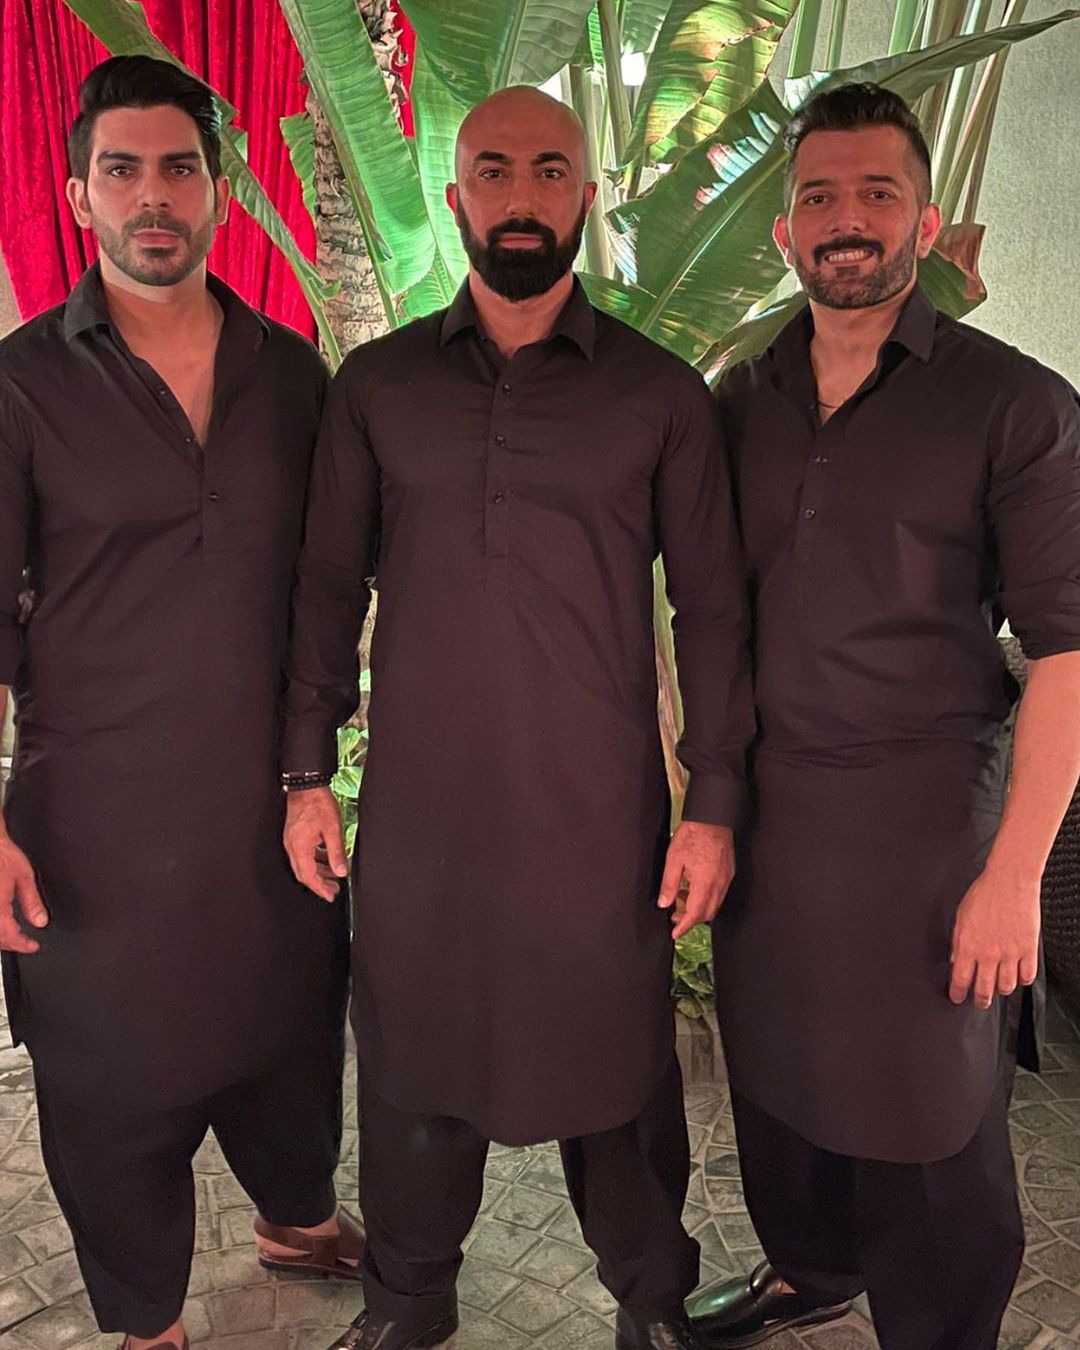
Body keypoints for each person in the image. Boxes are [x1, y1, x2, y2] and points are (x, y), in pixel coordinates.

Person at [280, 85, 754, 1350]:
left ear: (587, 195)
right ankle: (408, 1303)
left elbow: (713, 613)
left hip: (596, 814)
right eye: (494, 170)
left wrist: (713, 804)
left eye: (550, 170)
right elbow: (325, 586)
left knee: (620, 1072)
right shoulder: (377, 387)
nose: (522, 196)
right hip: (425, 814)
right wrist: (307, 773)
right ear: (456, 197)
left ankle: (651, 1302)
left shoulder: (660, 396)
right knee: (414, 1063)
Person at [692, 83, 1080, 1350]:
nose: (846, 219)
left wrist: (1015, 875)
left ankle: (941, 1329)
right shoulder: (739, 401)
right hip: (770, 808)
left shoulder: (1015, 405)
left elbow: (1069, 652)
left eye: (877, 193)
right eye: (820, 196)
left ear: (924, 220)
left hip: (928, 820)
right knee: (779, 1076)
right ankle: (812, 1269)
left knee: (929, 1115)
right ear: (784, 229)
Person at [0, 57, 356, 1350]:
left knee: (290, 1038)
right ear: (79, 194)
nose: (152, 195)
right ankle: (147, 1321)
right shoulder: (21, 385)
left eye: (178, 168)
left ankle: (297, 1221)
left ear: (218, 188)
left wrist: (316, 771)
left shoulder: (293, 375)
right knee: (109, 1088)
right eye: (122, 169)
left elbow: (325, 590)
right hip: (90, 822)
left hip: (268, 804)